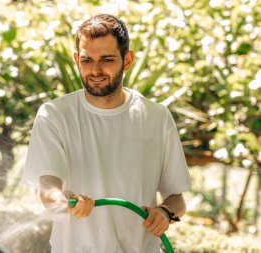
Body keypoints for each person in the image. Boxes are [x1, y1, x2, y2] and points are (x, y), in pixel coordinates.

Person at [22, 14, 191, 253]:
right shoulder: (54, 115)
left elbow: (176, 198)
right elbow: (48, 186)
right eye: (86, 60)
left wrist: (164, 213)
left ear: (128, 60)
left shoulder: (157, 118)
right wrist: (63, 200)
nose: (95, 69)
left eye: (107, 59)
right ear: (76, 60)